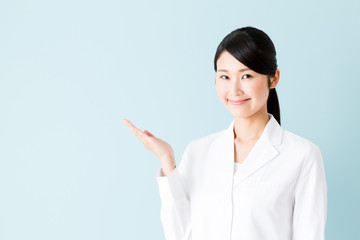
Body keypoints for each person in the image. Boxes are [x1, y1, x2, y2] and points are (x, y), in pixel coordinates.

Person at [123, 26, 327, 240]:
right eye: (225, 77)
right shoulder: (198, 151)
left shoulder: (302, 155)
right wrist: (167, 161)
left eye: (247, 75)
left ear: (273, 78)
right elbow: (179, 234)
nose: (234, 90)